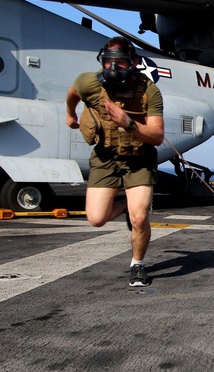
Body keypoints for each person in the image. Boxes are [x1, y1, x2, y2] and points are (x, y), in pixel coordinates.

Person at [65, 36, 164, 287]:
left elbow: (157, 136)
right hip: (105, 156)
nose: (112, 69)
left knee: (140, 218)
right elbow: (73, 92)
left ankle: (137, 265)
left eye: (120, 64)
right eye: (109, 63)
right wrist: (70, 114)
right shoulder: (90, 82)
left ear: (132, 63)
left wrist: (128, 123)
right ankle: (124, 205)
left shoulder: (149, 91)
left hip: (139, 159)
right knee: (96, 219)